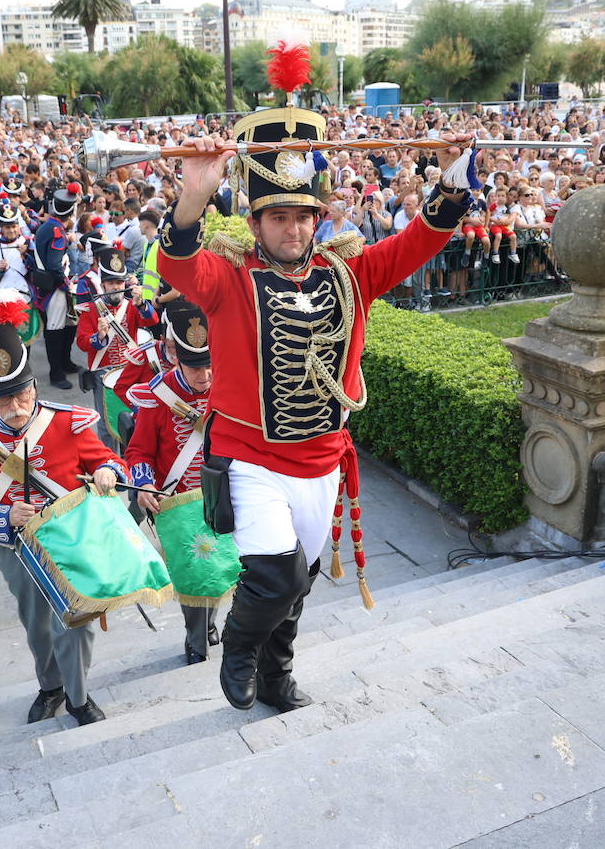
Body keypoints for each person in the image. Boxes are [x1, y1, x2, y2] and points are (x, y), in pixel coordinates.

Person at [157, 104, 474, 713]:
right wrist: (193, 197)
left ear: (317, 218)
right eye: (278, 217)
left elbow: (420, 240)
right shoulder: (229, 278)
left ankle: (278, 678)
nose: (293, 230)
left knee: (296, 586)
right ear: (256, 222)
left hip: (323, 459)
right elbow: (176, 262)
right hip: (249, 457)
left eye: (303, 217)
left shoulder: (350, 273)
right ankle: (240, 649)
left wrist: (453, 174)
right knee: (273, 577)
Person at [0, 323, 126, 726]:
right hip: (16, 548)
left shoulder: (68, 422)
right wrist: (3, 516)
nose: (17, 405)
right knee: (37, 625)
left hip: (72, 540)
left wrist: (107, 471)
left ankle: (78, 697)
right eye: (6, 398)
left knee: (76, 620)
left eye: (23, 393)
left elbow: (107, 459)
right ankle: (51, 686)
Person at [124, 299, 220, 664]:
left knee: (222, 565)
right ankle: (196, 638)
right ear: (176, 358)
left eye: (210, 366)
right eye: (196, 368)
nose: (205, 376)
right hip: (177, 501)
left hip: (223, 495)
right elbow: (139, 453)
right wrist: (145, 484)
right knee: (192, 574)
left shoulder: (225, 383)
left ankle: (210, 619)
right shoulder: (158, 395)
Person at [76, 246, 159, 445]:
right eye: (111, 283)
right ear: (103, 285)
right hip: (102, 373)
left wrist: (141, 304)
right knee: (106, 424)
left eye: (119, 282)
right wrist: (99, 336)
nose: (116, 287)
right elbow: (82, 342)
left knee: (134, 419)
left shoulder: (132, 305)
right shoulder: (89, 310)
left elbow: (152, 321)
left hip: (130, 371)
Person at [33, 183, 82, 391]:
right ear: (70, 212)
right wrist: (67, 285)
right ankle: (56, 373)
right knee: (55, 329)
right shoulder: (55, 231)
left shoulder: (52, 226)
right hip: (54, 288)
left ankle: (65, 362)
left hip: (52, 287)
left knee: (68, 326)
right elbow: (54, 265)